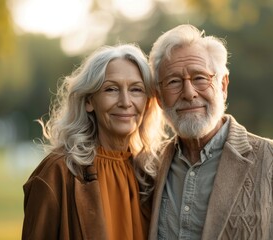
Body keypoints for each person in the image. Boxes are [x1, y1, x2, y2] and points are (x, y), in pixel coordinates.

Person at [147, 24, 273, 239]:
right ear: (159, 97)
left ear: (223, 85)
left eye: (200, 78)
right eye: (173, 82)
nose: (189, 93)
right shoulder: (150, 166)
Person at [22, 44, 165, 239]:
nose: (125, 102)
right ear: (89, 101)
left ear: (148, 102)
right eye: (111, 89)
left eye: (136, 90)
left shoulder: (151, 175)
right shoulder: (57, 173)